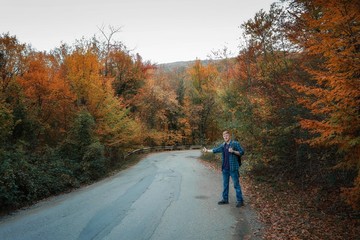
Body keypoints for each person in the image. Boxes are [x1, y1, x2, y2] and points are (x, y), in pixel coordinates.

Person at [202, 130, 245, 208]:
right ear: (223, 137)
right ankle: (225, 199)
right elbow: (216, 150)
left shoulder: (235, 143)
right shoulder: (223, 145)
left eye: (227, 135)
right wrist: (207, 150)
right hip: (225, 169)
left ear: (229, 136)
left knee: (236, 185)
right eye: (224, 136)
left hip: (233, 168)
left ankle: (240, 201)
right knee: (225, 185)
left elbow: (242, 152)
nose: (225, 137)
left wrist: (233, 151)